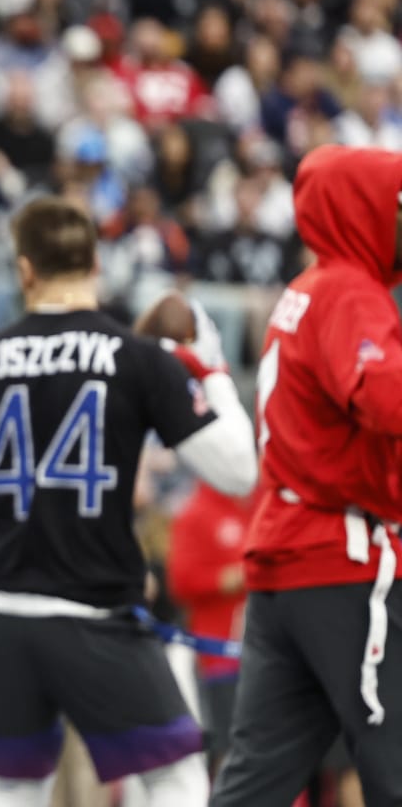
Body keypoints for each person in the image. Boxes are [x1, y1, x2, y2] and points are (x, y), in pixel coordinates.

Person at [0, 198, 258, 807]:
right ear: (96, 265)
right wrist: (209, 371)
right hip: (92, 603)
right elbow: (239, 472)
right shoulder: (135, 359)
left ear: (25, 270)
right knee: (174, 775)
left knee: (17, 782)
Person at [211, 146, 402, 806]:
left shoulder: (307, 289)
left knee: (254, 784)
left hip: (284, 563)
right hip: (342, 563)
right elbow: (385, 395)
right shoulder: (351, 290)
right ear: (367, 211)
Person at [165, 480, 251, 776]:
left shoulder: (257, 504)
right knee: (228, 747)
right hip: (220, 657)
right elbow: (181, 581)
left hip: (264, 651)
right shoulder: (196, 513)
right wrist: (230, 578)